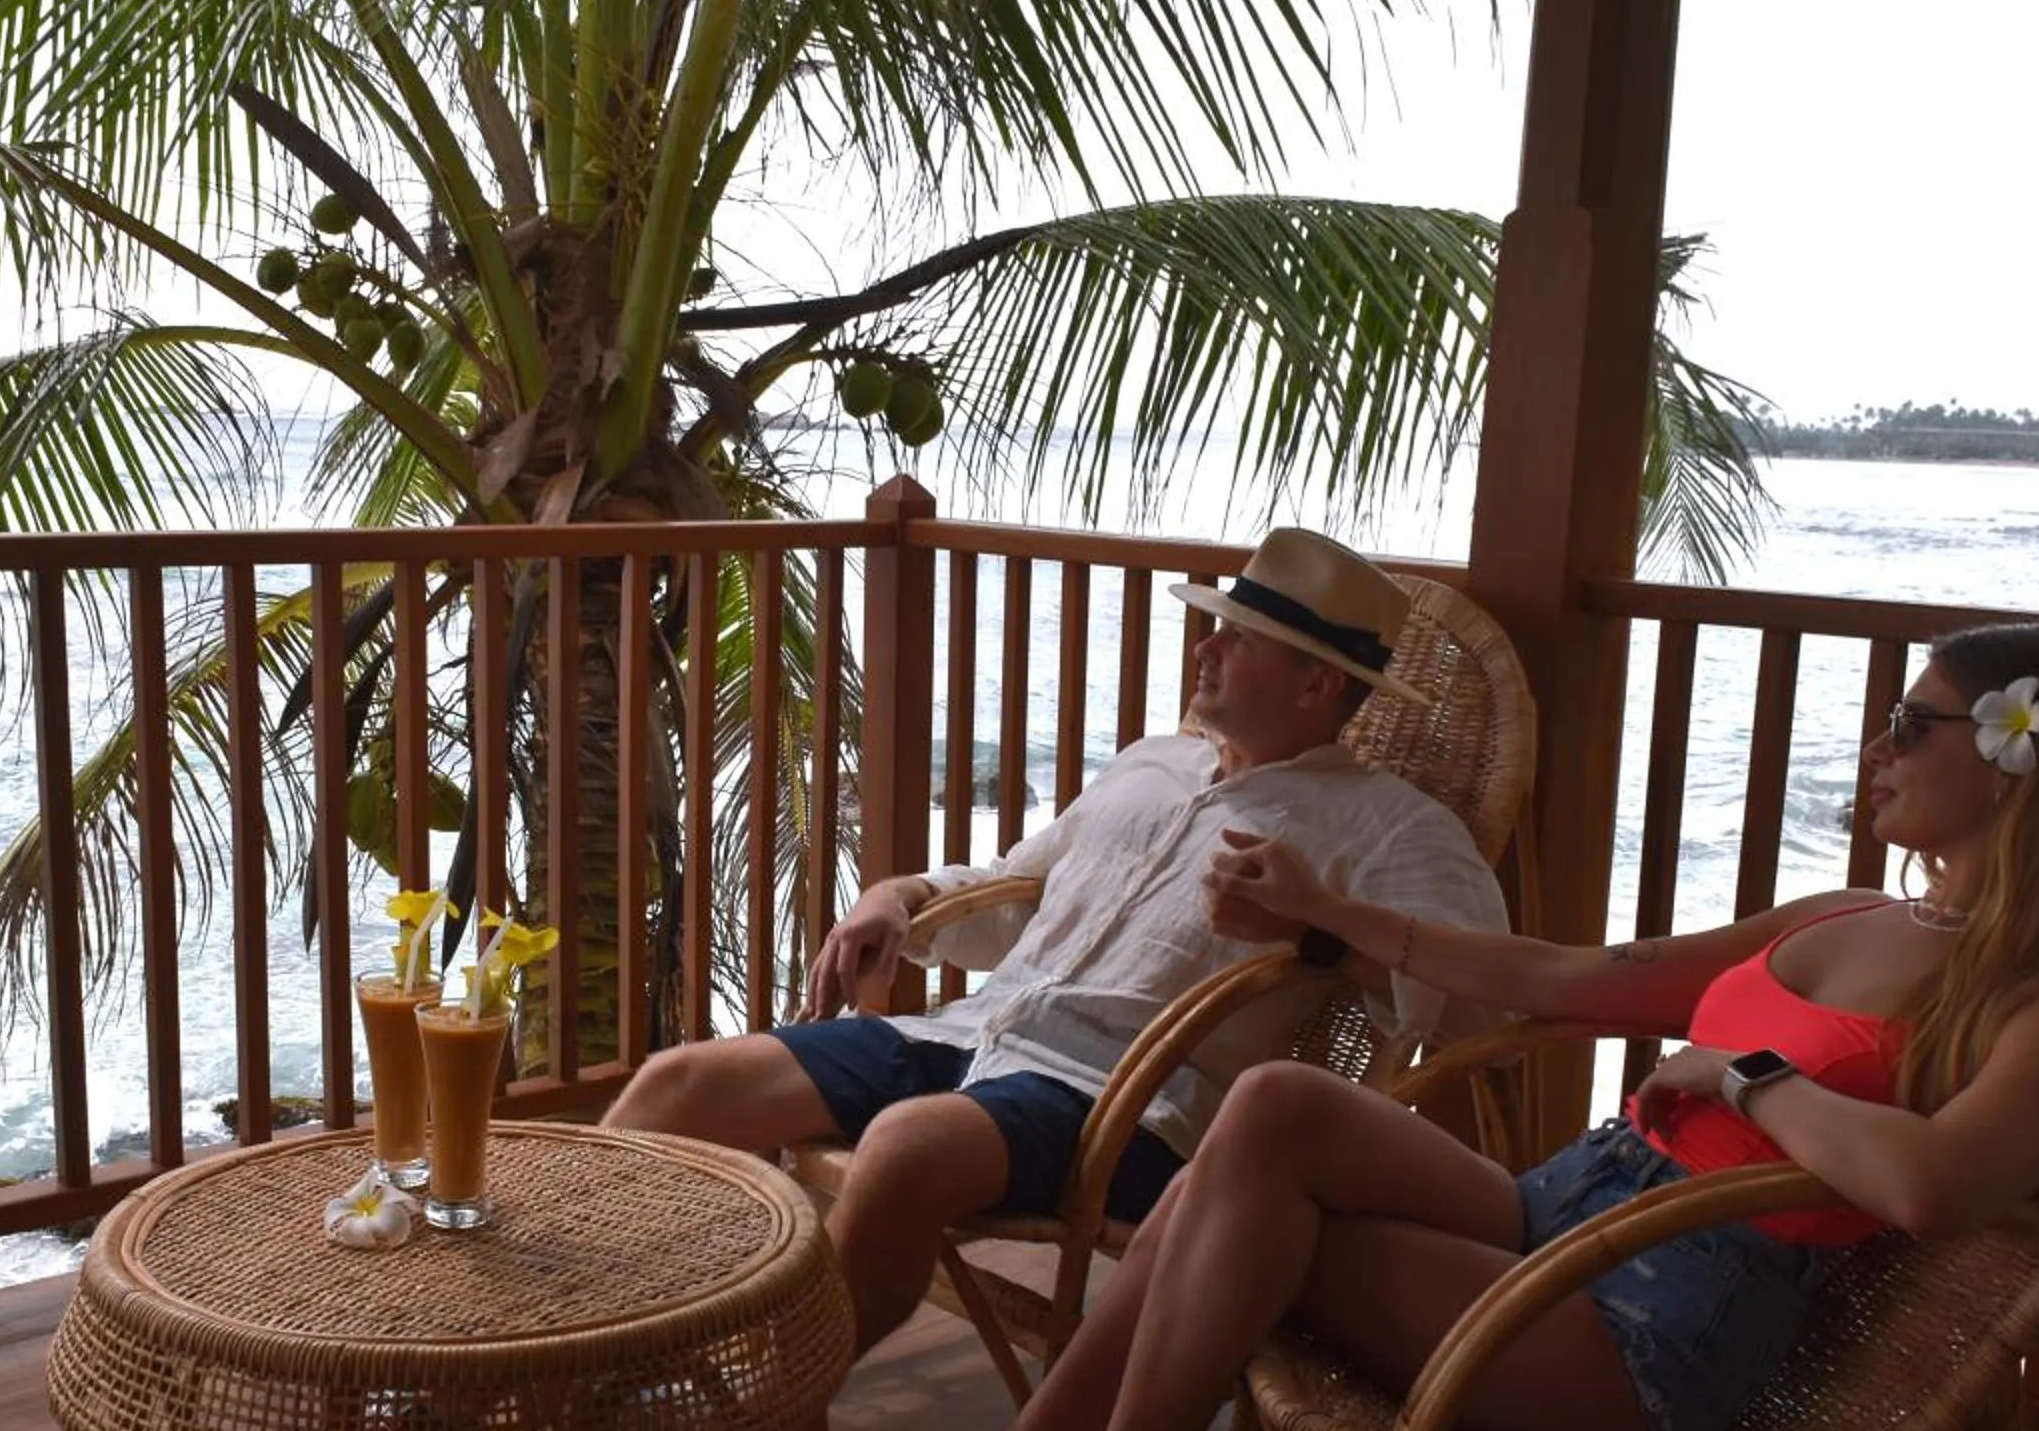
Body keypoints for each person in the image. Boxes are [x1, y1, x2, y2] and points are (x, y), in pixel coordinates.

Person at [833, 619, 2039, 1431]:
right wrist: (1332, 915)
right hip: (1570, 1210)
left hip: (1657, 1324)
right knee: (1278, 1111)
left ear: (2021, 766)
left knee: (1224, 1206)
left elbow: (1932, 1189)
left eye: (1914, 727)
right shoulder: (1844, 919)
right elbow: (1579, 979)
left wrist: (1754, 1081)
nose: (1878, 749)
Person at [604, 530, 1508, 1355]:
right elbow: (1019, 892)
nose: (1204, 650)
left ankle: (750, 1425)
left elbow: (1477, 1000)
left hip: (1119, 1110)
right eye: (1215, 631)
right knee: (678, 1084)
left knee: (907, 1150)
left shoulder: (1395, 830)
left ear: (1317, 685)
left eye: (1236, 641)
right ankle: (567, 1354)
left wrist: (1315, 931)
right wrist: (900, 894)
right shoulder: (1152, 763)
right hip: (967, 1038)